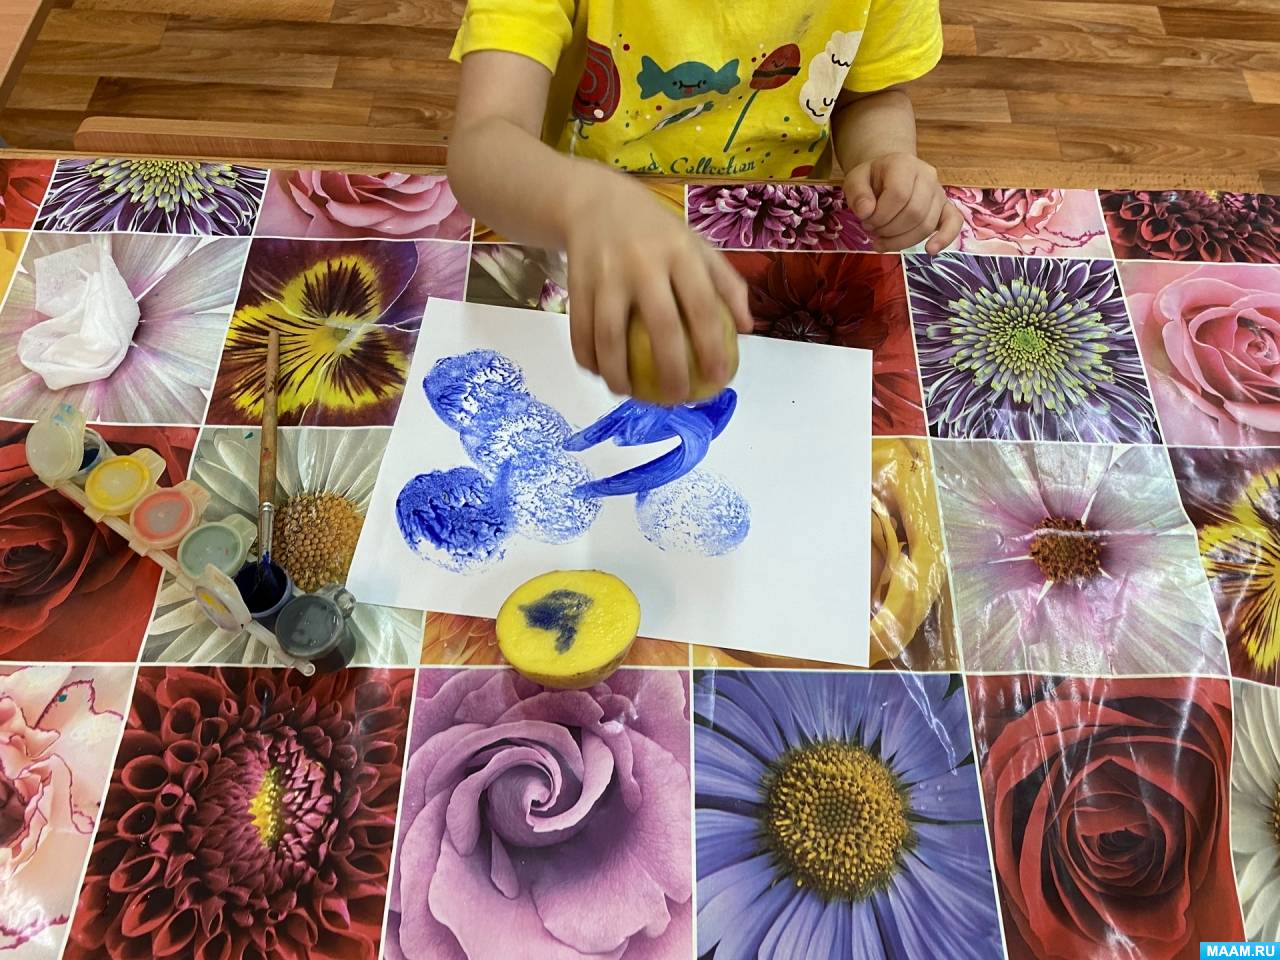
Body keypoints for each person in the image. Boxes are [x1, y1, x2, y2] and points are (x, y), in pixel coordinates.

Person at [447, 1, 962, 404]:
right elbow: (484, 142)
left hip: (774, 228)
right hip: (578, 221)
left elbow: (871, 95)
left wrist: (884, 155)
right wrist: (583, 202)